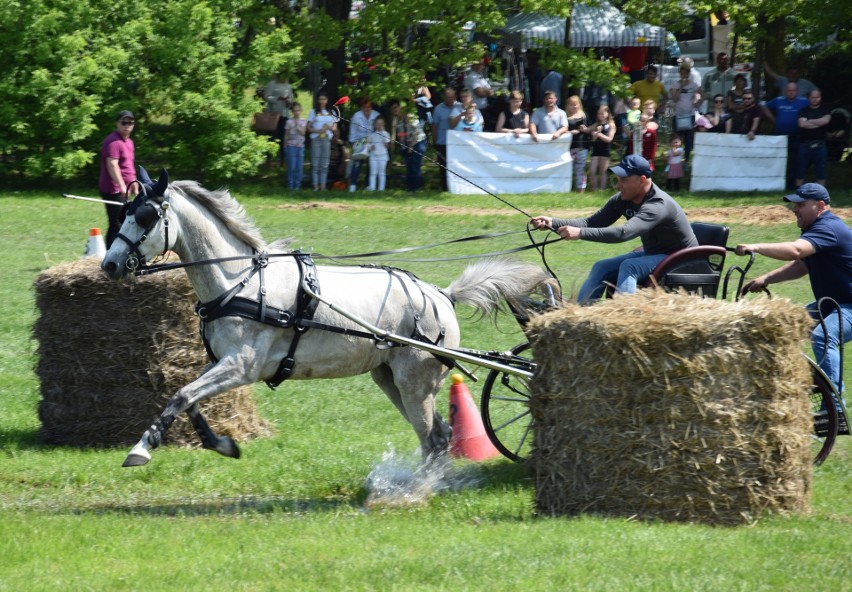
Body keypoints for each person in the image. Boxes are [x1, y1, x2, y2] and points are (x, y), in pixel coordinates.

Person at [531, 154, 697, 302]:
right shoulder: (624, 199)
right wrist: (553, 222)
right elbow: (592, 222)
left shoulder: (657, 205)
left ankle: (622, 322)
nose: (618, 185)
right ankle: (581, 318)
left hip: (680, 258)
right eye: (617, 179)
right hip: (655, 254)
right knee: (601, 266)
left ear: (642, 180)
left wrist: (580, 233)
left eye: (623, 180)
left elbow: (624, 233)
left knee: (629, 266)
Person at [736, 184, 852, 393]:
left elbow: (796, 251)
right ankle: (783, 390)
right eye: (794, 204)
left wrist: (756, 247)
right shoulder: (815, 228)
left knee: (823, 337)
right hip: (831, 303)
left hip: (849, 305)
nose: (794, 209)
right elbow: (801, 265)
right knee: (786, 327)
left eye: (800, 204)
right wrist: (766, 279)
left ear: (820, 206)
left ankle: (835, 408)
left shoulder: (829, 227)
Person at [98, 110, 138, 247]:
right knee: (117, 223)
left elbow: (129, 165)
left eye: (130, 122)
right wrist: (121, 185)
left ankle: (122, 251)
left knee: (125, 221)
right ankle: (110, 254)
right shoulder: (113, 142)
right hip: (113, 189)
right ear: (117, 123)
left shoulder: (129, 142)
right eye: (124, 122)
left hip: (125, 189)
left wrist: (134, 184)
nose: (127, 125)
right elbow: (112, 165)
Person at [762, 82, 809, 189]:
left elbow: (813, 107)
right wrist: (774, 120)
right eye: (789, 90)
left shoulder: (804, 101)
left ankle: (793, 184)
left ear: (797, 91)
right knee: (779, 160)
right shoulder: (778, 100)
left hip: (796, 136)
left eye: (793, 91)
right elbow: (764, 107)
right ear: (785, 91)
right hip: (780, 136)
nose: (791, 93)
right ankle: (777, 184)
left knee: (795, 160)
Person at [796, 89, 831, 187]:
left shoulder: (825, 109)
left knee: (821, 170)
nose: (815, 99)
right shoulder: (804, 110)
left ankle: (822, 193)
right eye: (813, 97)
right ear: (809, 98)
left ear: (820, 98)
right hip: (804, 144)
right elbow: (802, 124)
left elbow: (826, 121)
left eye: (817, 97)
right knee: (801, 169)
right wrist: (819, 123)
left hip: (821, 144)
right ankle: (799, 192)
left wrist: (809, 121)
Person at [432, 87, 462, 191]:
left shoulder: (460, 107)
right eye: (447, 97)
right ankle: (444, 188)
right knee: (443, 167)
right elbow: (434, 126)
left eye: (451, 97)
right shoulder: (438, 109)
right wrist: (435, 142)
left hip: (457, 143)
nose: (449, 100)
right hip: (442, 142)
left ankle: (457, 188)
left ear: (455, 97)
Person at [348, 98, 379, 192]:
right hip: (359, 141)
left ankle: (368, 185)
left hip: (372, 142)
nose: (367, 109)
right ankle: (353, 185)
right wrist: (353, 144)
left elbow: (378, 130)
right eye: (364, 107)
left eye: (368, 107)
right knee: (357, 163)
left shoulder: (376, 115)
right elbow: (352, 131)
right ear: (361, 107)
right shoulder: (356, 116)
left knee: (371, 164)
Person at [307, 93, 336, 191]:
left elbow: (335, 127)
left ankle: (323, 186)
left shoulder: (331, 112)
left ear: (327, 100)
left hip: (326, 139)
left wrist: (328, 127)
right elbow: (308, 127)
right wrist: (318, 131)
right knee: (315, 163)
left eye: (324, 99)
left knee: (324, 163)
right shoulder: (313, 111)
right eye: (320, 99)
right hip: (316, 139)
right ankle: (315, 186)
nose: (322, 101)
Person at [262, 74, 294, 163]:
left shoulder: (288, 86)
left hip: (285, 114)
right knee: (272, 136)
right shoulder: (272, 84)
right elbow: (266, 97)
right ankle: (269, 158)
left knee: (283, 136)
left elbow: (291, 98)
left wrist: (289, 101)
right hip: (273, 114)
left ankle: (283, 159)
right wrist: (278, 98)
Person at [566, 95, 591, 192]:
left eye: (575, 104)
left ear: (579, 105)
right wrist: (570, 132)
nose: (573, 107)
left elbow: (591, 129)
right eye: (571, 105)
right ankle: (570, 188)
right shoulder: (566, 117)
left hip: (582, 146)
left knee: (580, 168)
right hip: (569, 146)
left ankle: (581, 189)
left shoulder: (584, 115)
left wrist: (585, 129)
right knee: (570, 168)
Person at [588, 105, 616, 191]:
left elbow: (609, 139)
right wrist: (595, 133)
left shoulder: (611, 125)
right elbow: (592, 139)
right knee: (592, 171)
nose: (601, 115)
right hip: (595, 151)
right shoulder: (596, 125)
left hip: (605, 150)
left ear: (607, 113)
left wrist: (599, 134)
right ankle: (594, 190)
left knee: (602, 172)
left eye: (603, 113)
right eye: (599, 113)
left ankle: (602, 190)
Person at [400, 110, 427, 191]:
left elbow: (416, 133)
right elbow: (401, 135)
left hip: (418, 142)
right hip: (407, 144)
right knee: (409, 166)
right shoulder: (398, 120)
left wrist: (411, 147)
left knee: (415, 165)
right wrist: (404, 148)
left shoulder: (412, 117)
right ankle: (410, 187)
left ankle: (416, 187)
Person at [283, 102, 307, 190]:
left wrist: (297, 126)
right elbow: (286, 135)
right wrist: (285, 147)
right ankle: (290, 185)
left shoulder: (303, 121)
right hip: (291, 146)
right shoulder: (288, 122)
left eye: (298, 110)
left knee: (299, 168)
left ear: (301, 111)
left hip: (300, 147)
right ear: (292, 112)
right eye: (295, 111)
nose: (296, 112)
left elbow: (303, 133)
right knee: (291, 167)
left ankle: (297, 186)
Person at [366, 118, 391, 191]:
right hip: (373, 156)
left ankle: (381, 189)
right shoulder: (371, 134)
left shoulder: (386, 134)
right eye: (377, 124)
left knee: (382, 173)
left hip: (383, 156)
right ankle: (372, 188)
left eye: (381, 124)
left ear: (383, 125)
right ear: (375, 125)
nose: (379, 125)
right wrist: (371, 147)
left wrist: (383, 133)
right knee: (373, 172)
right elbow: (367, 145)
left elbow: (387, 145)